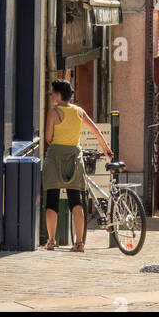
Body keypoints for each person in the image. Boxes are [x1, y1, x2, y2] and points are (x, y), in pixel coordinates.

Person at [42, 80, 112, 252]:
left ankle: (51, 240)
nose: (51, 96)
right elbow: (95, 129)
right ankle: (79, 242)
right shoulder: (79, 111)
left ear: (59, 95)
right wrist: (106, 150)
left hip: (55, 157)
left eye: (53, 93)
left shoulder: (54, 112)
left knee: (52, 200)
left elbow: (48, 138)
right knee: (76, 201)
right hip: (75, 157)